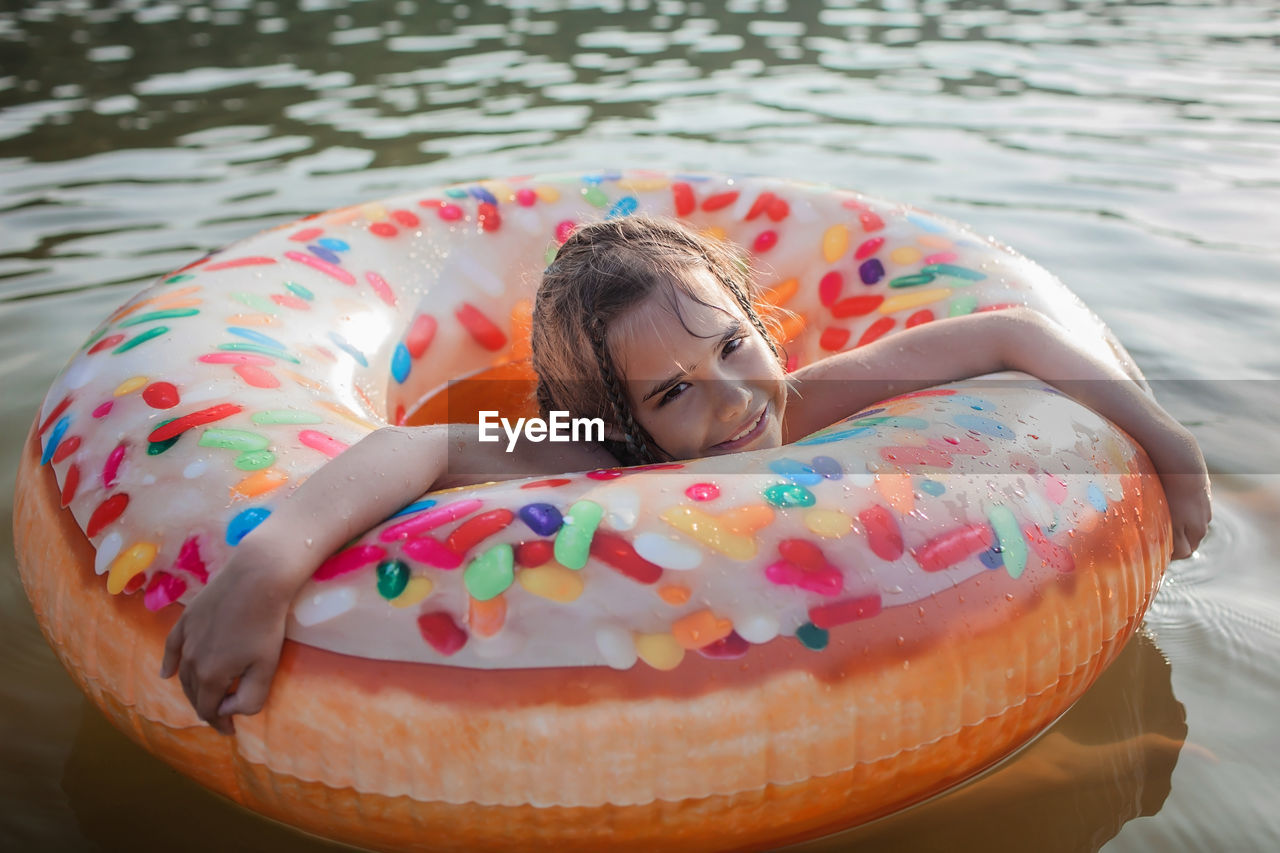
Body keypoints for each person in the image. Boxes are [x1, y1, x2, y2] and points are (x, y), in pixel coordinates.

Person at [161, 215, 1211, 734]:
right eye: (668, 395)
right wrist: (268, 568)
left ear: (758, 320)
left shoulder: (801, 398)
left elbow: (1010, 331)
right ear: (618, 419)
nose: (726, 402)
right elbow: (421, 448)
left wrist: (1163, 442)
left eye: (729, 346)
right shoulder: (585, 455)